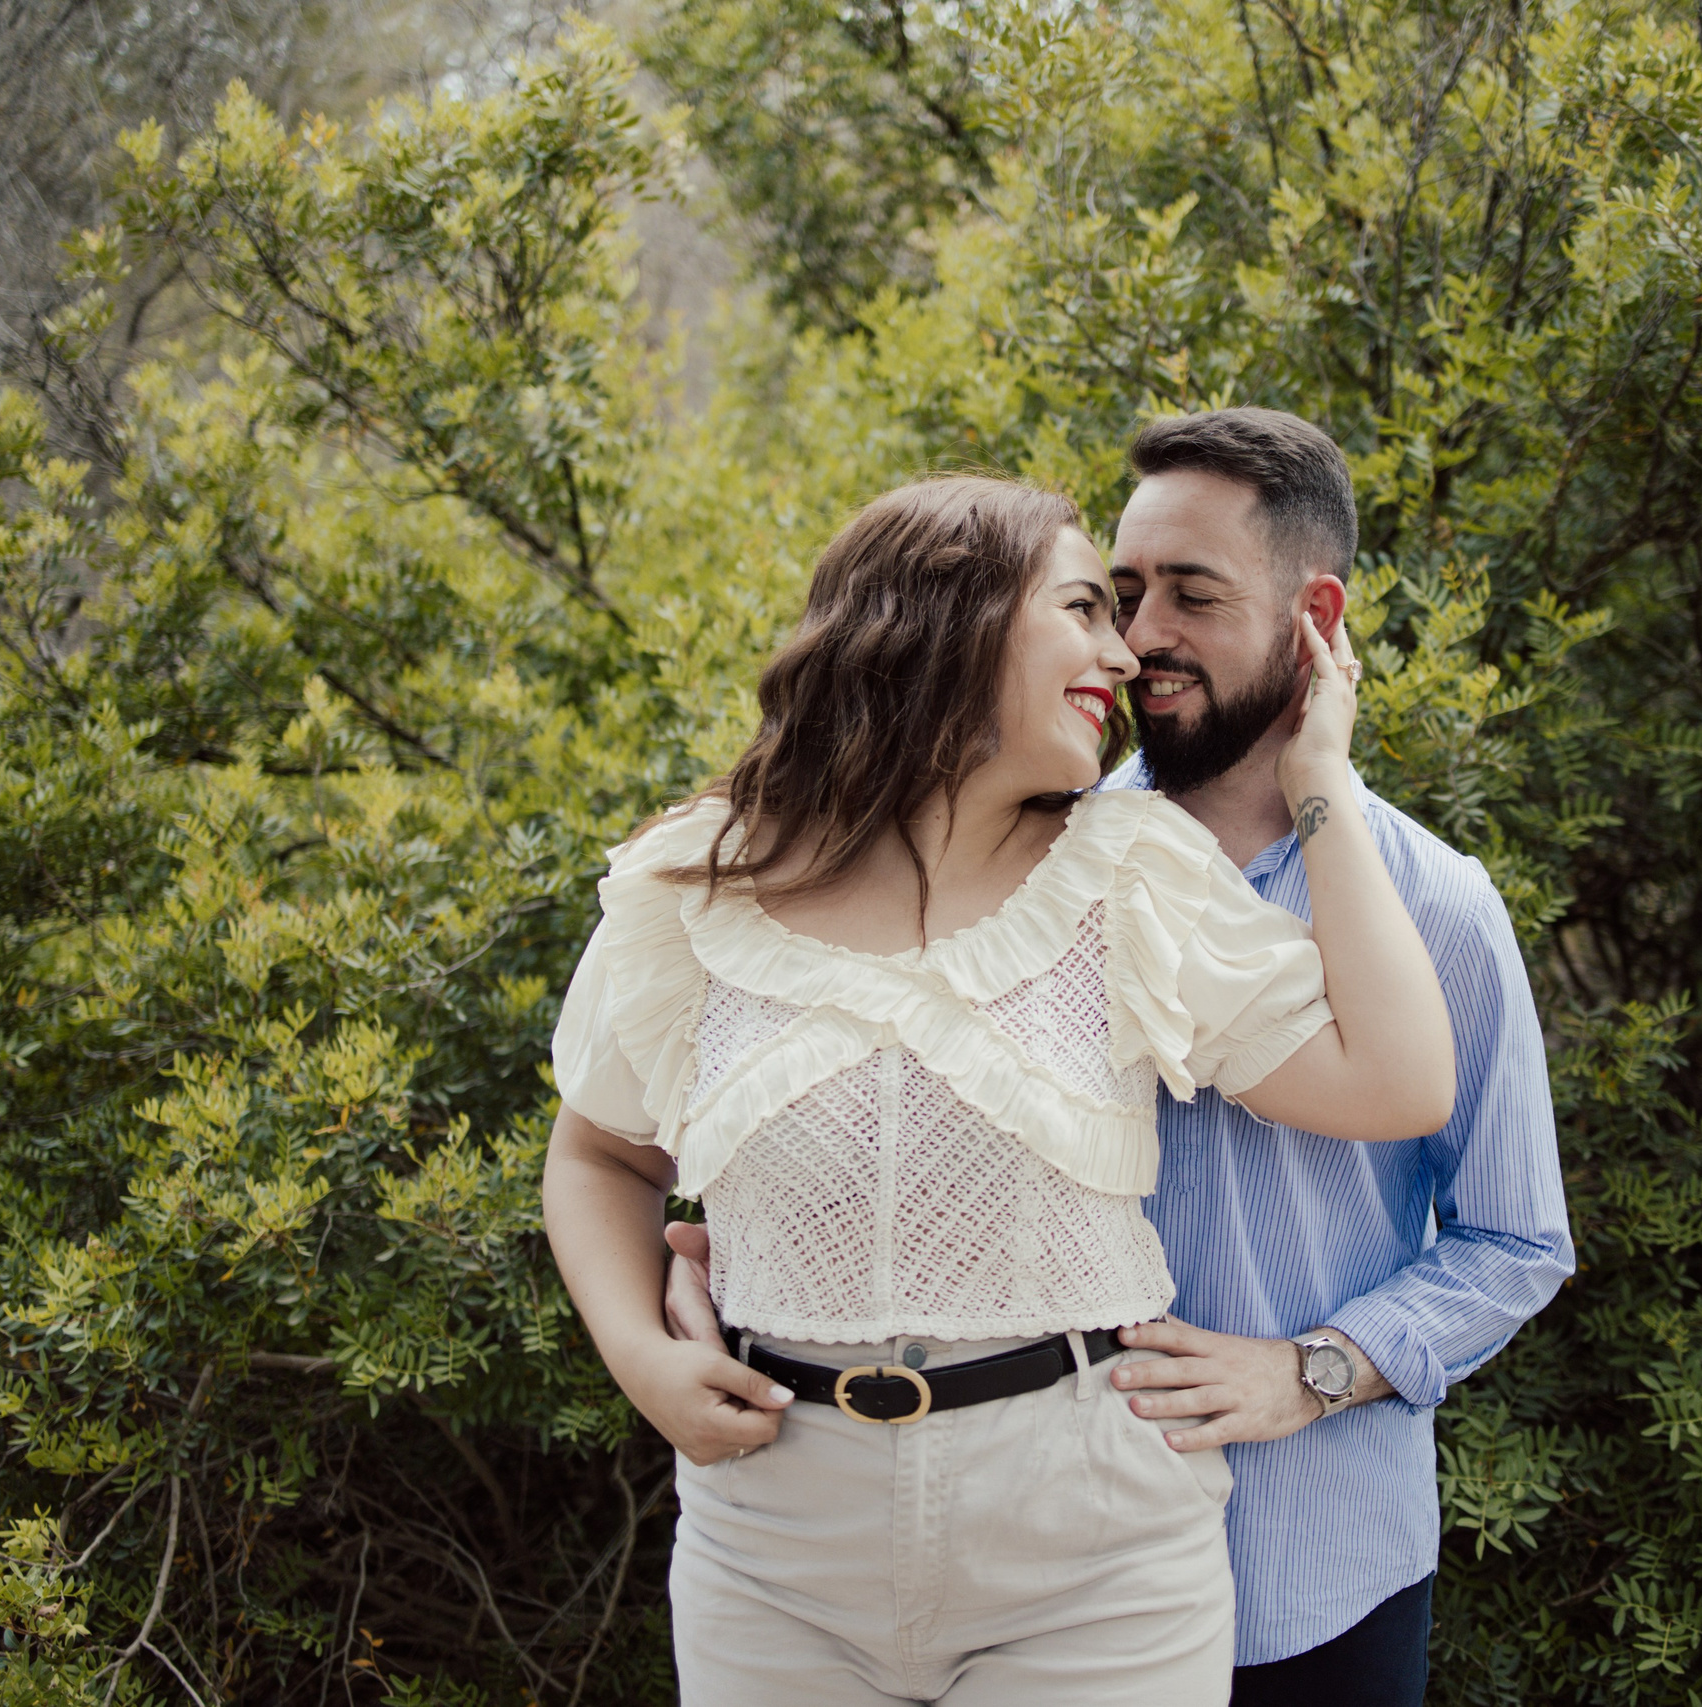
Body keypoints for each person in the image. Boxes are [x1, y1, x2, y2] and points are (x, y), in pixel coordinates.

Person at [667, 410, 1575, 1705]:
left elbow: (1514, 1239)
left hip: (1318, 1562)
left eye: (1193, 596)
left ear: (1313, 616)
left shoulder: (1436, 908)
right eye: (1124, 592)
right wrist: (724, 1262)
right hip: (1022, 1564)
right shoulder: (1020, 861)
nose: (1142, 635)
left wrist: (1318, 1368)